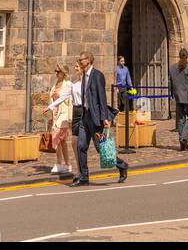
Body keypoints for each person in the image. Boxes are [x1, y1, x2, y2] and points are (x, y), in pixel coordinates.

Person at [70, 51, 128, 187]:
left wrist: (105, 119)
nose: (79, 61)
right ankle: (84, 177)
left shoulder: (97, 75)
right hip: (85, 117)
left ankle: (122, 166)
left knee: (101, 149)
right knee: (81, 147)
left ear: (89, 60)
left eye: (81, 59)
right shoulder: (84, 76)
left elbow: (102, 98)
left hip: (96, 119)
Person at [44, 63, 74, 176]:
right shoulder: (54, 85)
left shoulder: (68, 85)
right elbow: (51, 102)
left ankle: (59, 163)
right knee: (62, 141)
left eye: (58, 71)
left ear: (63, 72)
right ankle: (66, 164)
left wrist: (70, 119)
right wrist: (51, 117)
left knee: (56, 136)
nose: (56, 73)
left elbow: (69, 102)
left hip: (64, 115)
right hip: (56, 115)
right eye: (55, 71)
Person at [168, 47, 188, 150]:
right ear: (187, 56)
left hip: (177, 96)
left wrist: (172, 93)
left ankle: (182, 141)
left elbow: (170, 83)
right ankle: (184, 138)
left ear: (179, 55)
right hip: (187, 97)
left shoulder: (172, 68)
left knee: (180, 119)